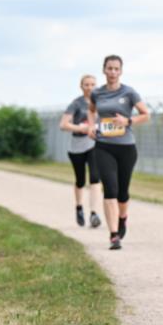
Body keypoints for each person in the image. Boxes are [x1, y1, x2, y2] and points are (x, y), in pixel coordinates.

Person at [88, 55, 150, 250]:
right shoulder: (97, 93)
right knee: (110, 189)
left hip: (126, 147)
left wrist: (128, 121)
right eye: (109, 68)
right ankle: (114, 235)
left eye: (116, 69)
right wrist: (91, 126)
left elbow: (146, 114)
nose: (113, 72)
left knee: (123, 192)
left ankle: (123, 217)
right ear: (104, 70)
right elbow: (91, 111)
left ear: (121, 71)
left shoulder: (129, 92)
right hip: (103, 145)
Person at [60, 75, 102, 229]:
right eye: (86, 85)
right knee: (80, 180)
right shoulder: (76, 104)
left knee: (95, 178)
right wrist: (81, 128)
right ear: (81, 86)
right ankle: (79, 207)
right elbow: (63, 124)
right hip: (77, 146)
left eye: (92, 84)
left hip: (94, 144)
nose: (90, 87)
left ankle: (94, 213)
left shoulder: (101, 102)